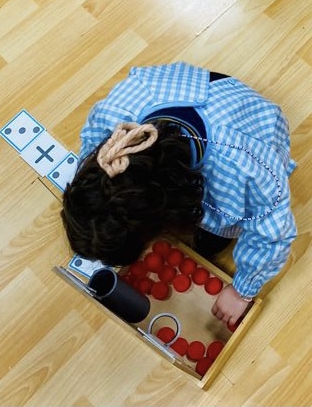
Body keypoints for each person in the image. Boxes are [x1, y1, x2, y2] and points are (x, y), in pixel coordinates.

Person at [61, 63, 296, 327]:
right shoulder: (112, 120)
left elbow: (273, 233)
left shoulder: (246, 172)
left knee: (210, 243)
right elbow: (91, 151)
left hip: (253, 124)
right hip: (181, 96)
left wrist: (242, 291)